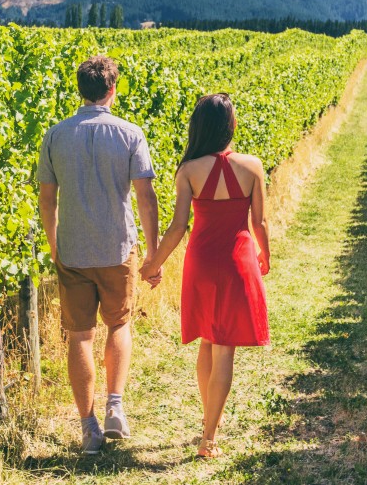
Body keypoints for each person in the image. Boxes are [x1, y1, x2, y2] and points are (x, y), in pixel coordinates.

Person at [37, 55, 160, 455]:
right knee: (119, 325)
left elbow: (47, 199)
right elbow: (146, 196)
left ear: (80, 89)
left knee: (79, 336)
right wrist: (153, 253)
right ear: (112, 89)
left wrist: (56, 246)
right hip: (117, 247)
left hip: (72, 248)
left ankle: (88, 427)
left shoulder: (55, 136)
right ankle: (115, 408)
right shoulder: (129, 133)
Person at [139, 93, 271, 459]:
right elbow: (258, 222)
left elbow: (178, 227)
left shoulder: (188, 171)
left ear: (199, 127)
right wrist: (265, 255)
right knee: (224, 347)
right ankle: (209, 436)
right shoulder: (253, 166)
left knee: (207, 342)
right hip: (236, 260)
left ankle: (208, 419)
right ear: (231, 126)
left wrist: (153, 263)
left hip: (201, 263)